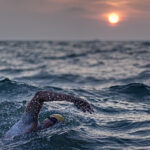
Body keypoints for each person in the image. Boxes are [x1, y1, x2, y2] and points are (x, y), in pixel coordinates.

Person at [4, 91, 94, 139]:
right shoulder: (28, 124)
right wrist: (74, 99)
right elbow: (39, 96)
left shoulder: (40, 136)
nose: (51, 122)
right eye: (52, 119)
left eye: (55, 122)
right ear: (45, 119)